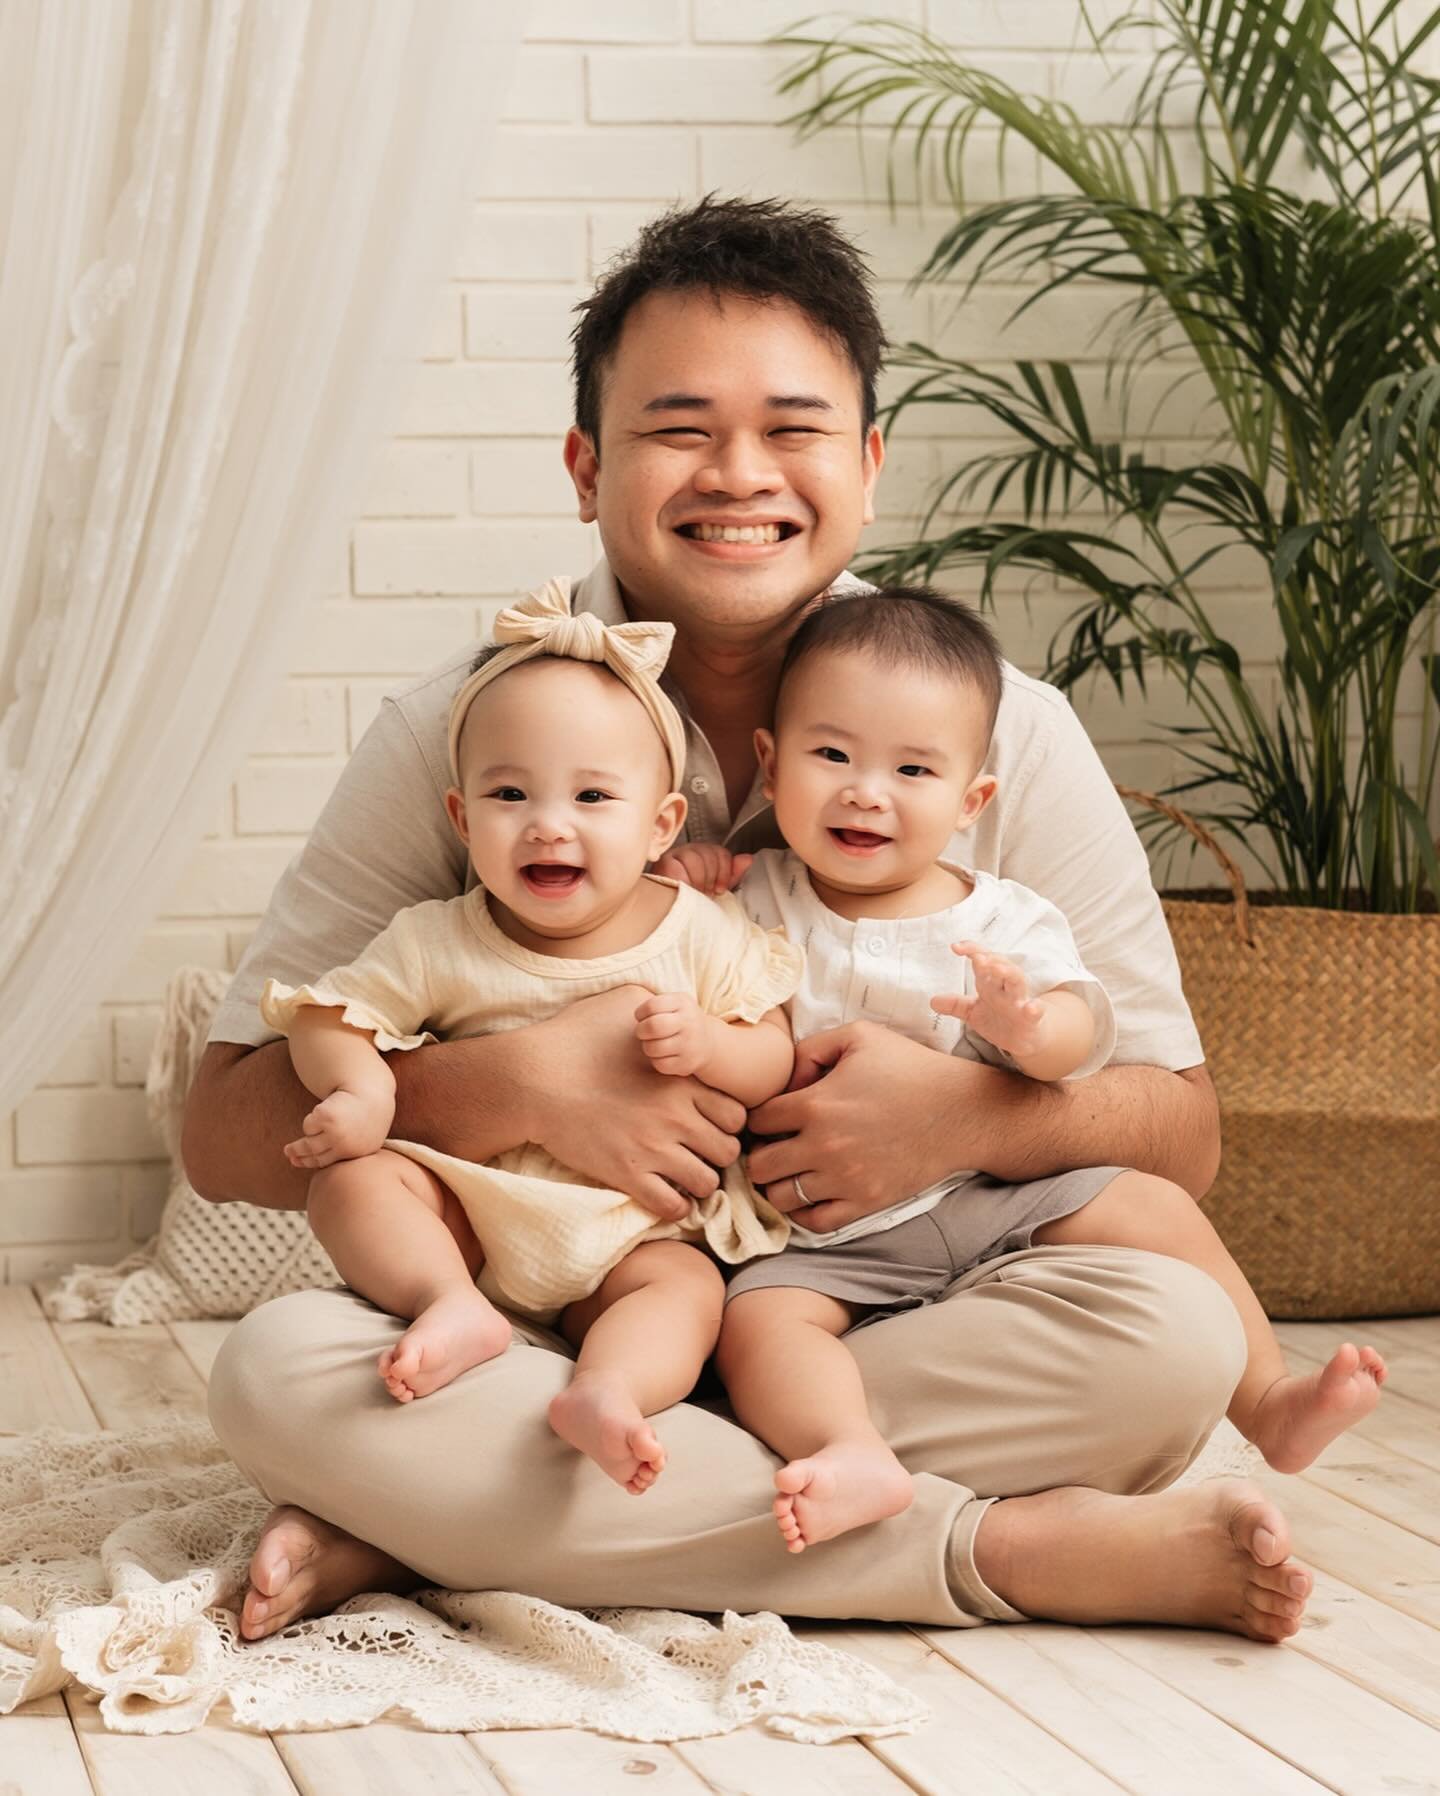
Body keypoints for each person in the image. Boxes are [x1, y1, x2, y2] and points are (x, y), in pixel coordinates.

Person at [185, 194, 1316, 1648]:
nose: (740, 476)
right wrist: (501, 1084)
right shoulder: (466, 731)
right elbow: (221, 1132)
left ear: (867, 463)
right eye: (677, 428)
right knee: (275, 1371)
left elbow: (1181, 1129)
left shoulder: (999, 731)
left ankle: (435, 1527)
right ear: (587, 465)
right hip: (555, 1320)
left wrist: (964, 1118)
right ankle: (1004, 1553)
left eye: (792, 428)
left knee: (1172, 1341)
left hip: (877, 1323)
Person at [660, 585, 1387, 1552]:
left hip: (986, 1197)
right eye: (830, 755)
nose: (866, 791)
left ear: (971, 802)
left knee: (1153, 1207)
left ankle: (1270, 1404)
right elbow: (675, 965)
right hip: (814, 1235)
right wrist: (675, 883)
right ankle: (848, 1448)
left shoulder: (999, 916)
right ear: (771, 762)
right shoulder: (758, 903)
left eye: (913, 769)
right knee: (760, 1330)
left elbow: (1084, 1035)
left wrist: (1032, 1026)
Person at [260, 582, 799, 1495]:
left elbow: (774, 1048)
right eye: (511, 794)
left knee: (688, 1293)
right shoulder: (439, 937)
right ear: (464, 820)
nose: (550, 822)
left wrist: (710, 1045)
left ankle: (607, 1391)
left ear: (661, 823)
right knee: (352, 1184)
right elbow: (327, 1011)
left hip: (630, 1232)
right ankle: (449, 1306)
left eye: (593, 795)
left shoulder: (694, 930)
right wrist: (363, 1090)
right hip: (472, 1217)